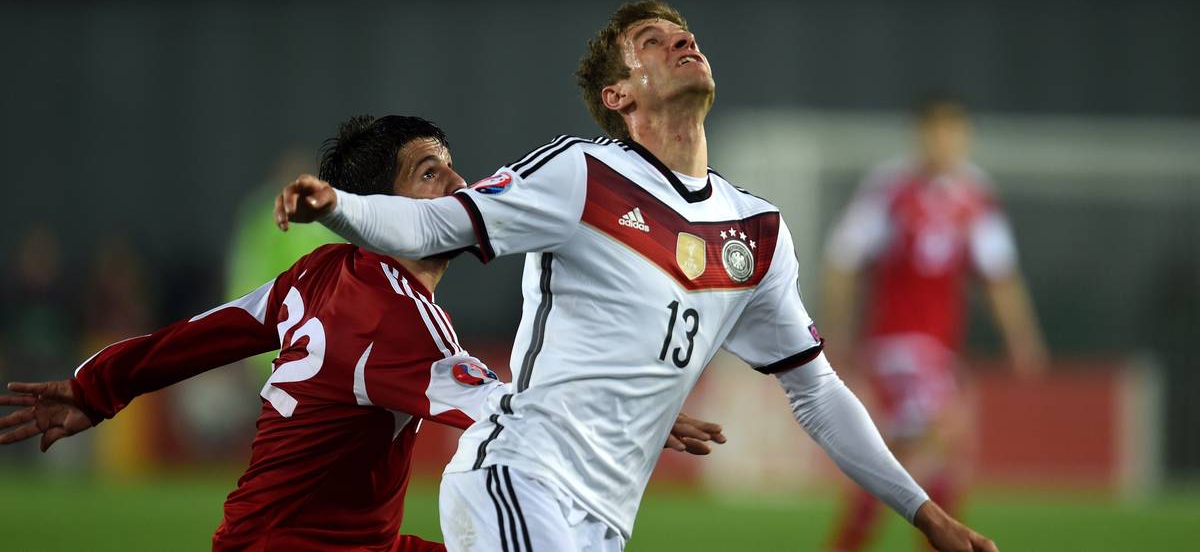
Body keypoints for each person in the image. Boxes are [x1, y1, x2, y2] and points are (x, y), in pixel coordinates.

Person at [274, 0, 999, 552]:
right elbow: (438, 223)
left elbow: (817, 392)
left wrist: (926, 514)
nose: (683, 40)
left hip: (605, 522)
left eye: (685, 33)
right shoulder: (581, 174)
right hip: (519, 477)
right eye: (651, 41)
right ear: (618, 96)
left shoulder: (756, 232)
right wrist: (341, 205)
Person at [0, 114, 729, 552]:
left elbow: (208, 333)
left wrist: (97, 388)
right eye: (429, 173)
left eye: (451, 165)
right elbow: (503, 409)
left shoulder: (323, 272)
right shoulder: (394, 316)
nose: (457, 185)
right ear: (379, 210)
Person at [821, 97, 1048, 552]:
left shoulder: (974, 196)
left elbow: (998, 276)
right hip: (896, 345)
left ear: (964, 138)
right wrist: (836, 327)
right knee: (937, 445)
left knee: (901, 461)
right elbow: (843, 259)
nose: (943, 142)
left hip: (940, 350)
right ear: (919, 136)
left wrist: (1022, 338)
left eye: (952, 133)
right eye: (934, 132)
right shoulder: (890, 190)